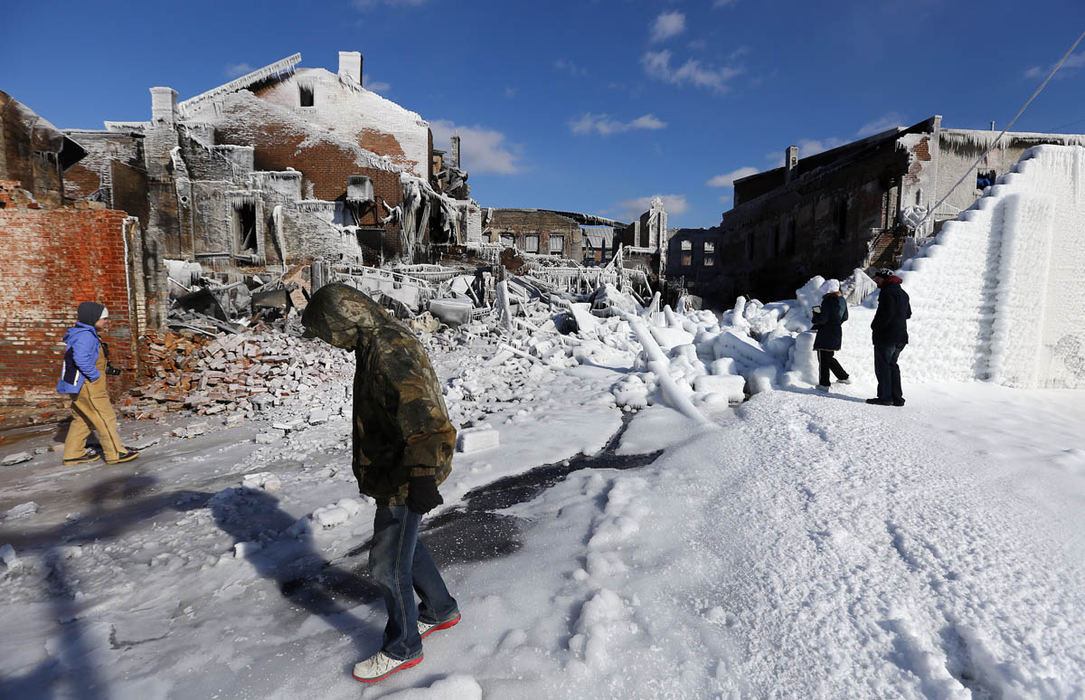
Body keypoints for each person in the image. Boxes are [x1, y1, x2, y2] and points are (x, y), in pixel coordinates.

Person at [301, 283, 460, 684]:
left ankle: (403, 646)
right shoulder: (375, 341)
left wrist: (422, 475)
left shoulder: (389, 349)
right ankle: (440, 610)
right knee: (405, 543)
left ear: (345, 320)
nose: (330, 342)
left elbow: (420, 411)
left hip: (407, 471)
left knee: (387, 565)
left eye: (328, 332)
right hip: (397, 466)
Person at [57, 302, 140, 465]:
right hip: (88, 385)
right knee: (105, 417)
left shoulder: (81, 333)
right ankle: (115, 453)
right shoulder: (86, 335)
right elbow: (80, 359)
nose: (106, 321)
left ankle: (73, 454)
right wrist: (95, 376)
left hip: (78, 386)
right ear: (92, 318)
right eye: (104, 318)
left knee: (83, 418)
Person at [867, 269, 911, 406]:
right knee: (893, 365)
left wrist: (874, 326)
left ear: (885, 278)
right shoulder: (903, 294)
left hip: (887, 336)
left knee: (883, 367)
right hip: (901, 336)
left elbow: (885, 315)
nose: (876, 280)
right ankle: (897, 398)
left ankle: (885, 397)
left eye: (878, 278)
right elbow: (908, 314)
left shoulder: (887, 293)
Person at [811, 278, 850, 391]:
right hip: (836, 331)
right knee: (828, 357)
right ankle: (843, 377)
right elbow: (845, 317)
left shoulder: (828, 300)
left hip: (826, 332)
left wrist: (816, 314)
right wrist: (836, 323)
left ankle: (824, 384)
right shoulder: (842, 300)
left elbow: (822, 319)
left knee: (823, 358)